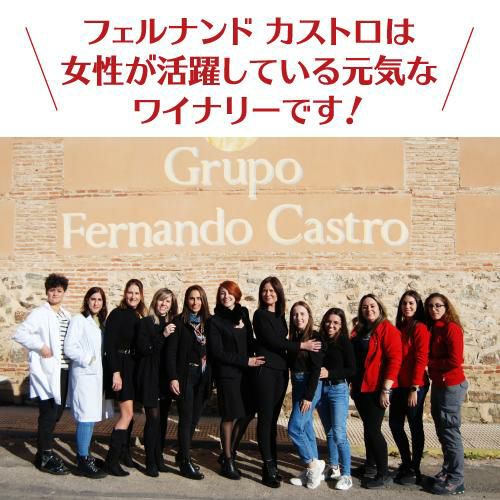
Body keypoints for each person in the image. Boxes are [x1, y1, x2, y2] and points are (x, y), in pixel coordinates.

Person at [253, 276, 321, 488]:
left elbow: (284, 344)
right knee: (265, 421)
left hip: (281, 373)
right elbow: (273, 341)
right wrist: (302, 346)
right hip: (266, 372)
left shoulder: (281, 316)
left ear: (278, 293)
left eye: (272, 290)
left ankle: (273, 463)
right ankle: (268, 468)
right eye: (265, 290)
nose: (268, 294)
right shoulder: (260, 315)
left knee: (273, 421)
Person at [13, 273, 72, 475]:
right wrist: (40, 346)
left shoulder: (66, 315)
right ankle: (45, 456)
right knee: (48, 413)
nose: (55, 294)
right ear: (47, 292)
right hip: (47, 372)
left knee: (57, 412)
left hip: (64, 370)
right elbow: (20, 334)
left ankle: (43, 452)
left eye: (59, 291)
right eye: (52, 290)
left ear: (63, 293)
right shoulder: (39, 313)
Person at [208, 280, 265, 480]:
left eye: (229, 292)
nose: (226, 296)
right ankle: (228, 460)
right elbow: (217, 353)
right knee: (229, 416)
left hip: (246, 374)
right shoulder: (214, 321)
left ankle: (229, 452)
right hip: (228, 375)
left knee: (248, 412)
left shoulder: (244, 313)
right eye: (222, 293)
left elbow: (250, 341)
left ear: (236, 294)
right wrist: (246, 361)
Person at [350, 294, 402, 489]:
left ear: (380, 307)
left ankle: (383, 472)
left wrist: (385, 390)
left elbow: (394, 360)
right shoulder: (360, 329)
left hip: (377, 388)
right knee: (368, 428)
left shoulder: (388, 329)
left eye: (372, 306)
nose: (369, 309)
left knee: (373, 430)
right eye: (365, 307)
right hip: (361, 387)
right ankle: (370, 466)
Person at [167, 285, 212, 480]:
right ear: (186, 300)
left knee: (194, 418)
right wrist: (173, 377)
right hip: (185, 375)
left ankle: (181, 453)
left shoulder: (208, 322)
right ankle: (185, 462)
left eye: (199, 298)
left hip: (204, 377)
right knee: (185, 419)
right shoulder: (179, 322)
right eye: (192, 298)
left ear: (203, 301)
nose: (195, 302)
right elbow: (171, 352)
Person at [103, 278, 147, 476]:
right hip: (120, 367)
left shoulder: (139, 315)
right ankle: (111, 461)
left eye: (137, 293)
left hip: (133, 367)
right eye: (130, 292)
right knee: (126, 414)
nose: (133, 296)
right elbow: (109, 346)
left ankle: (124, 452)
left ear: (141, 295)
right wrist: (115, 373)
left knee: (131, 414)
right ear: (125, 293)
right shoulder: (117, 314)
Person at [425, 293, 468, 496]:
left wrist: (431, 363)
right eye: (430, 306)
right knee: (442, 429)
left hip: (451, 385)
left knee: (450, 430)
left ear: (446, 307)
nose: (434, 309)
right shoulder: (434, 327)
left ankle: (457, 479)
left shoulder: (452, 328)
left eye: (438, 305)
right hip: (439, 384)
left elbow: (455, 360)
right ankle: (448, 470)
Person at [64, 286, 108, 479]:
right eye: (93, 299)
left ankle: (86, 455)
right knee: (85, 417)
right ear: (87, 300)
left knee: (91, 417)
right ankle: (82, 460)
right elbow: (69, 347)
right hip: (84, 375)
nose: (96, 303)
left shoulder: (99, 322)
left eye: (99, 300)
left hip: (95, 377)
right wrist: (88, 359)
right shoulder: (78, 320)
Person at [135, 288, 178, 477]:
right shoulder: (146, 323)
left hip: (164, 378)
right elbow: (145, 349)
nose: (164, 304)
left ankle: (158, 457)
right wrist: (163, 335)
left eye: (168, 301)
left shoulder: (171, 324)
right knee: (153, 419)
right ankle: (149, 461)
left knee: (162, 420)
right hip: (149, 376)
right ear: (155, 301)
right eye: (161, 300)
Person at [390, 291, 430, 485]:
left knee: (415, 425)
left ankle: (415, 468)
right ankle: (406, 463)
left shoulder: (420, 328)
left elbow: (421, 358)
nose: (407, 306)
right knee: (395, 424)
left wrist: (414, 388)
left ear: (417, 306)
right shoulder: (401, 327)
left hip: (415, 385)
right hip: (399, 384)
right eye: (404, 303)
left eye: (411, 303)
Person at [316, 307, 356, 491]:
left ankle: (347, 474)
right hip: (321, 390)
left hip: (338, 389)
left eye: (335, 323)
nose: (331, 325)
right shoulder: (320, 340)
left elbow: (352, 369)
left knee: (339, 433)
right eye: (328, 321)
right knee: (330, 432)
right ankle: (334, 467)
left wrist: (330, 373)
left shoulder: (344, 342)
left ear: (341, 325)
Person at [287, 301, 325, 490]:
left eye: (302, 314)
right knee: (306, 426)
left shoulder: (315, 337)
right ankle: (313, 467)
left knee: (294, 428)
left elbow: (316, 369)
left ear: (309, 315)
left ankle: (313, 466)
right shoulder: (295, 338)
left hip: (310, 384)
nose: (298, 318)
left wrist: (309, 397)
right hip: (297, 384)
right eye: (295, 314)